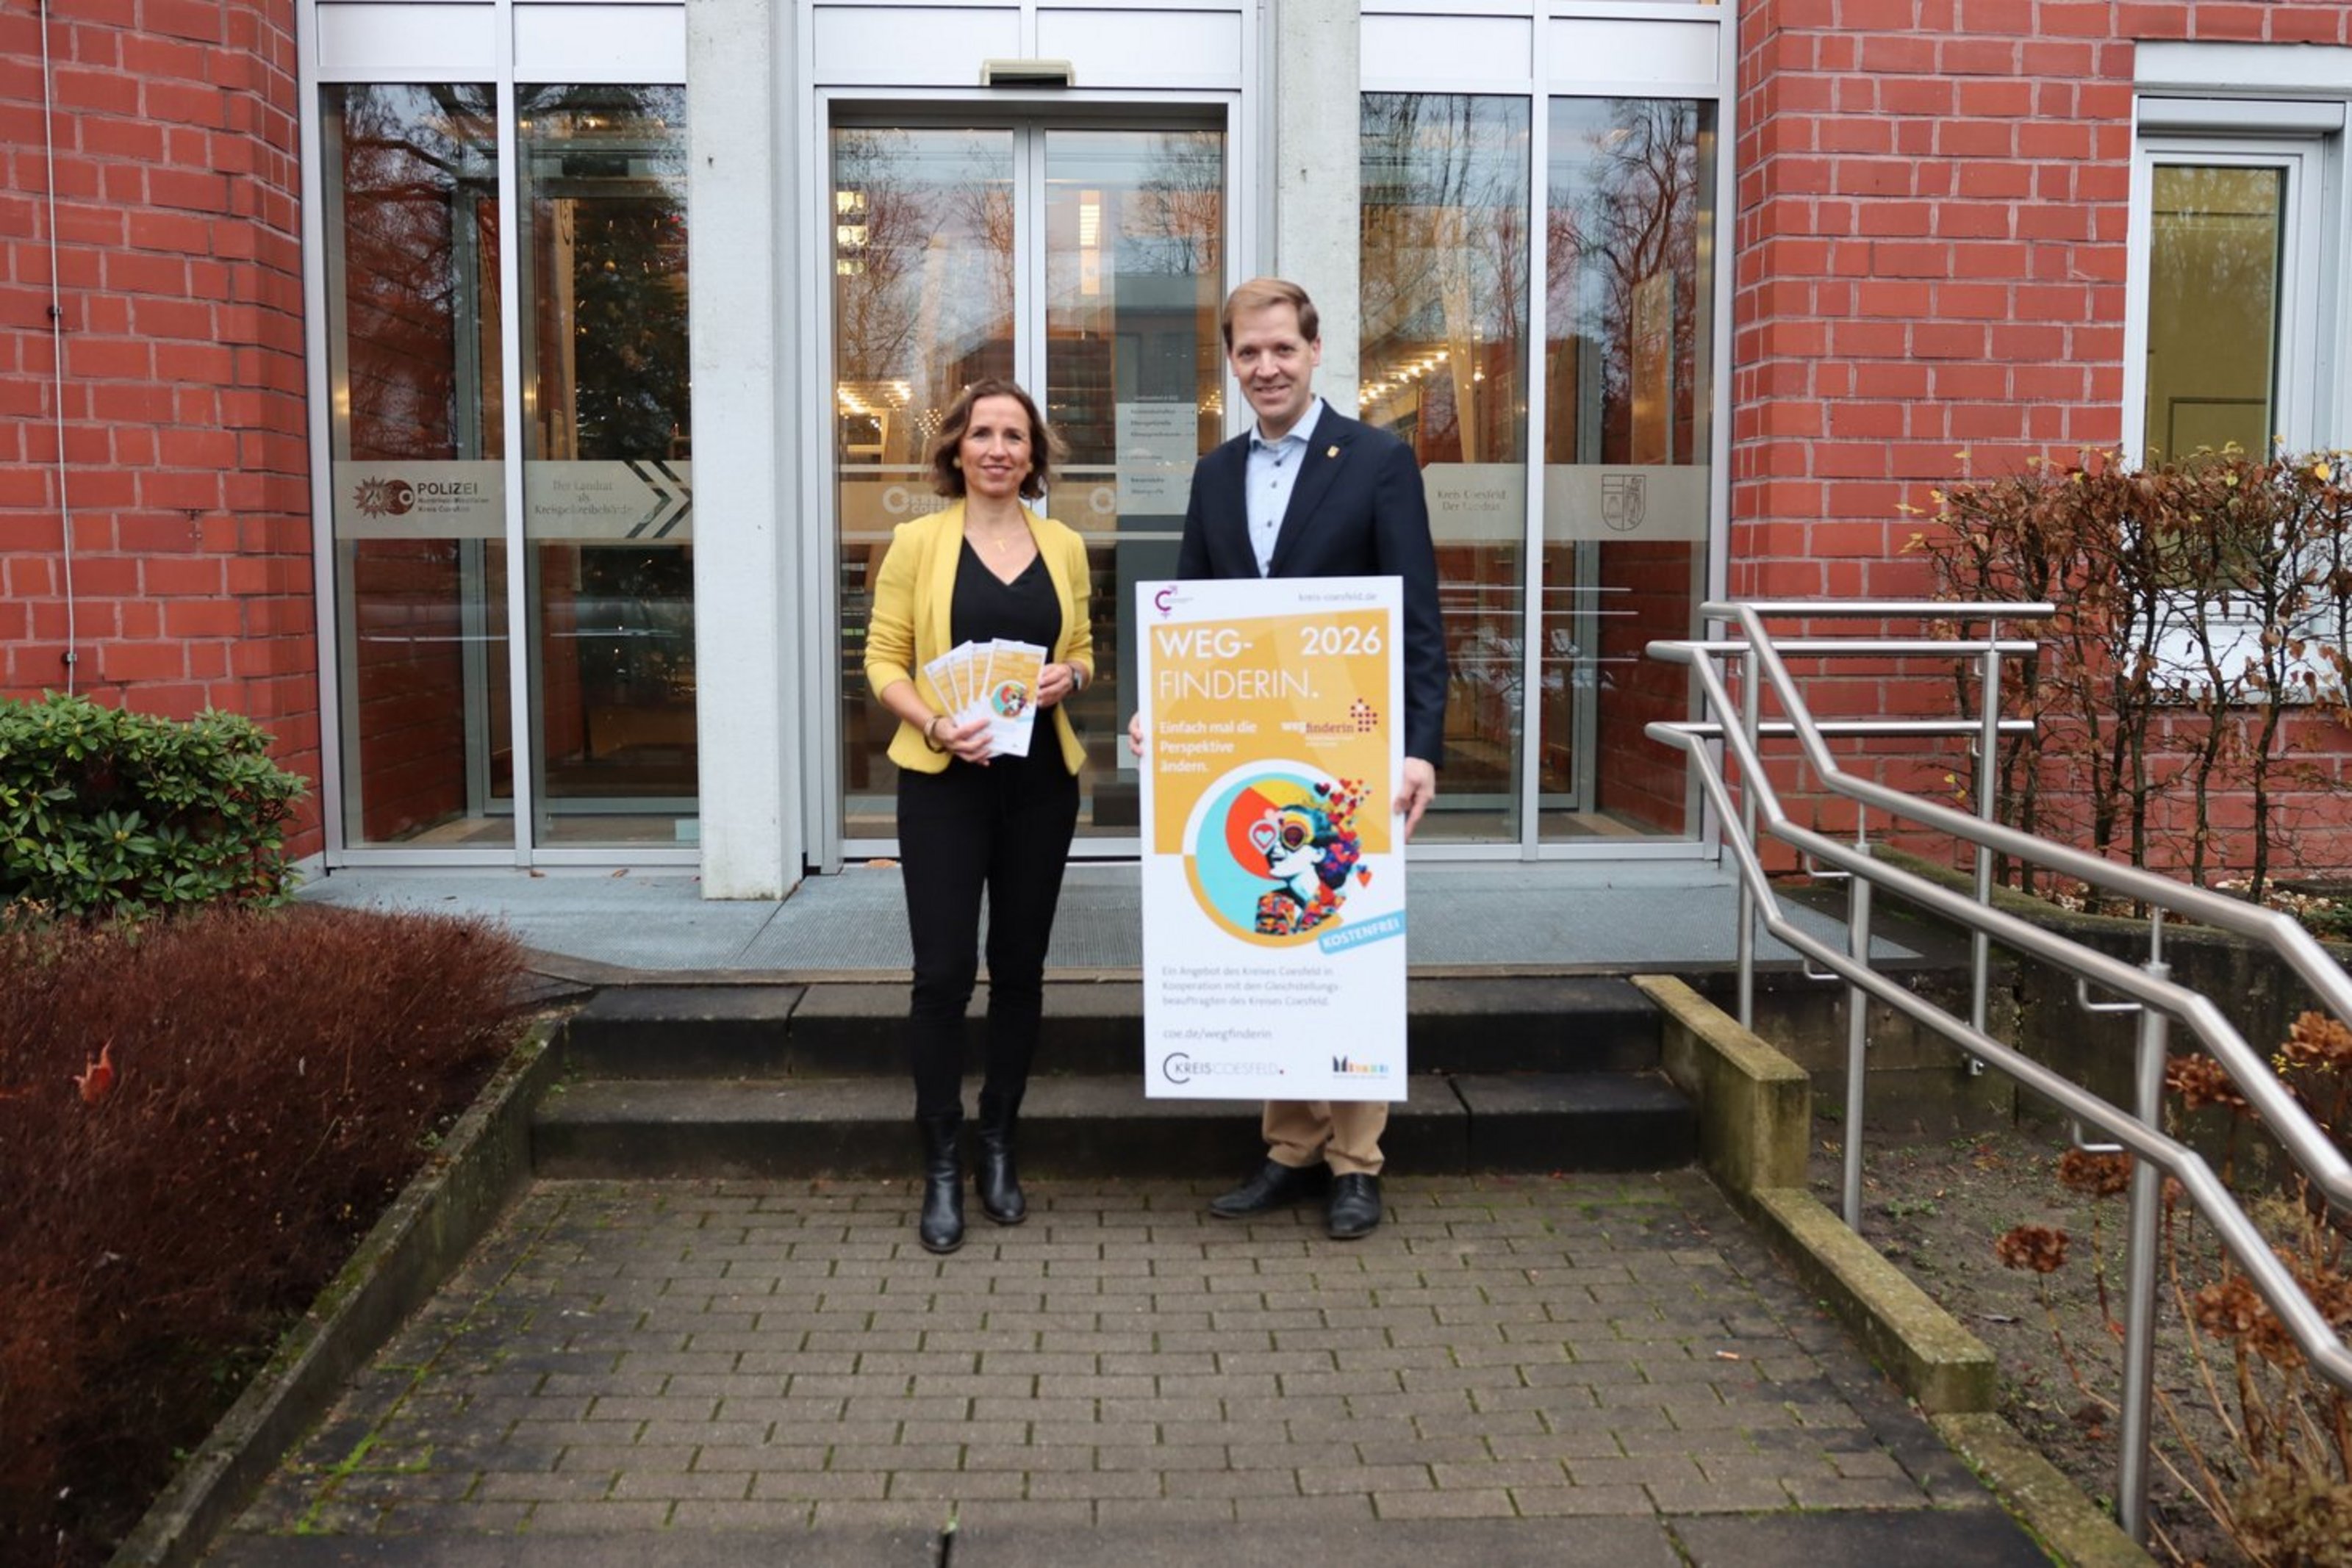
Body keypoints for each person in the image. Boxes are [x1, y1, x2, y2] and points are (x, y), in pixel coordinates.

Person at [1130, 276, 1446, 1240]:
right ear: (1231, 361)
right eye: (1248, 351)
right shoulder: (1213, 474)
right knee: (1268, 935)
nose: (1265, 366)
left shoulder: (1379, 460)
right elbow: (1191, 609)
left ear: (1313, 352)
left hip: (1348, 741)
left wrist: (1420, 748)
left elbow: (1418, 618)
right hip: (1248, 741)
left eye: (1281, 348)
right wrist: (1161, 710)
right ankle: (1289, 1146)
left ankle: (1356, 1161)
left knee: (1344, 936)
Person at [866, 378, 1095, 1254]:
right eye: (982, 434)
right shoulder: (915, 542)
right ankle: (940, 1162)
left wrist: (1070, 676)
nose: (998, 449)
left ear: (1033, 455)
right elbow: (882, 659)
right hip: (943, 784)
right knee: (942, 973)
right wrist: (932, 723)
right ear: (955, 448)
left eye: (1014, 436)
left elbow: (1082, 649)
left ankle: (998, 1141)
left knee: (1020, 967)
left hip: (1039, 786)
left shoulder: (1063, 545)